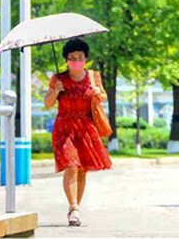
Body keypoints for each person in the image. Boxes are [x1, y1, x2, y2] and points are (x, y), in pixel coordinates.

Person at [44, 38, 112, 226]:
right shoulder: (58, 79)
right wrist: (56, 91)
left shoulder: (93, 76)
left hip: (86, 127)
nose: (76, 60)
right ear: (66, 59)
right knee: (71, 165)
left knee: (82, 170)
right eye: (72, 57)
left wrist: (98, 92)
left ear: (86, 58)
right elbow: (47, 103)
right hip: (64, 128)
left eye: (80, 57)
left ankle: (76, 208)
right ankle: (73, 207)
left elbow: (103, 97)